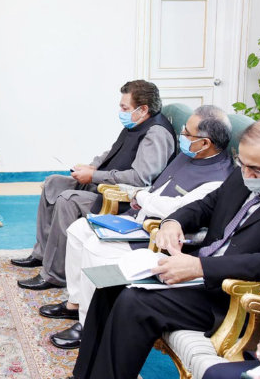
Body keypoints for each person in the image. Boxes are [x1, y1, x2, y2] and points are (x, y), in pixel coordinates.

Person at [71, 119, 260, 379]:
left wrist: (199, 267)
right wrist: (173, 222)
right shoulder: (245, 175)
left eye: (256, 170)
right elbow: (207, 205)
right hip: (198, 275)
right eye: (242, 165)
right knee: (109, 281)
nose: (247, 175)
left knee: (135, 302)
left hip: (231, 295)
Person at [42, 105, 235, 350]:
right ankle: (76, 304)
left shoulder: (219, 177)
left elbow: (175, 210)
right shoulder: (190, 155)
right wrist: (141, 198)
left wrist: (142, 197)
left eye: (187, 133)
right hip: (136, 219)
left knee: (96, 249)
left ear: (205, 143)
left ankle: (89, 325)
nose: (181, 136)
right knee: (79, 229)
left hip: (154, 235)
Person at [14, 80, 176, 291]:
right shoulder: (135, 124)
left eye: (124, 108)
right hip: (102, 183)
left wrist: (94, 176)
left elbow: (140, 178)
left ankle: (55, 274)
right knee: (53, 183)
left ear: (143, 109)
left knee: (67, 200)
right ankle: (42, 254)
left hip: (121, 198)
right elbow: (112, 152)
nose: (120, 111)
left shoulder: (156, 134)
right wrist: (91, 166)